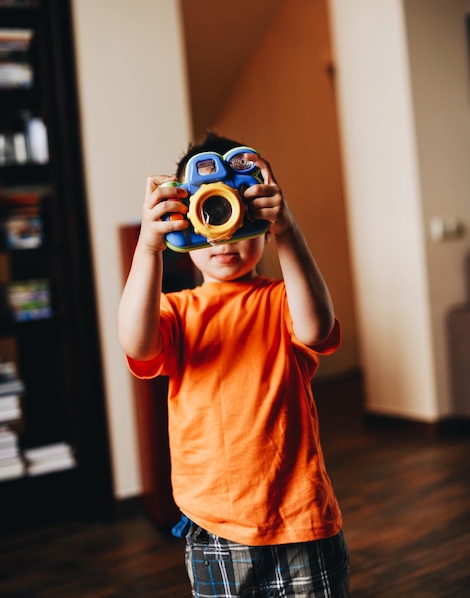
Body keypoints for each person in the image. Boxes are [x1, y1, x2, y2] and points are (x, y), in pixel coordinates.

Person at [118, 133, 351, 597]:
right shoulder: (177, 312)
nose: (223, 233)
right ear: (184, 225)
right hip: (214, 526)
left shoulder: (284, 299)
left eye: (235, 211)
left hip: (301, 519)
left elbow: (316, 328)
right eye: (209, 211)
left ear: (262, 223)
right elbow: (138, 345)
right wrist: (148, 249)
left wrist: (288, 228)